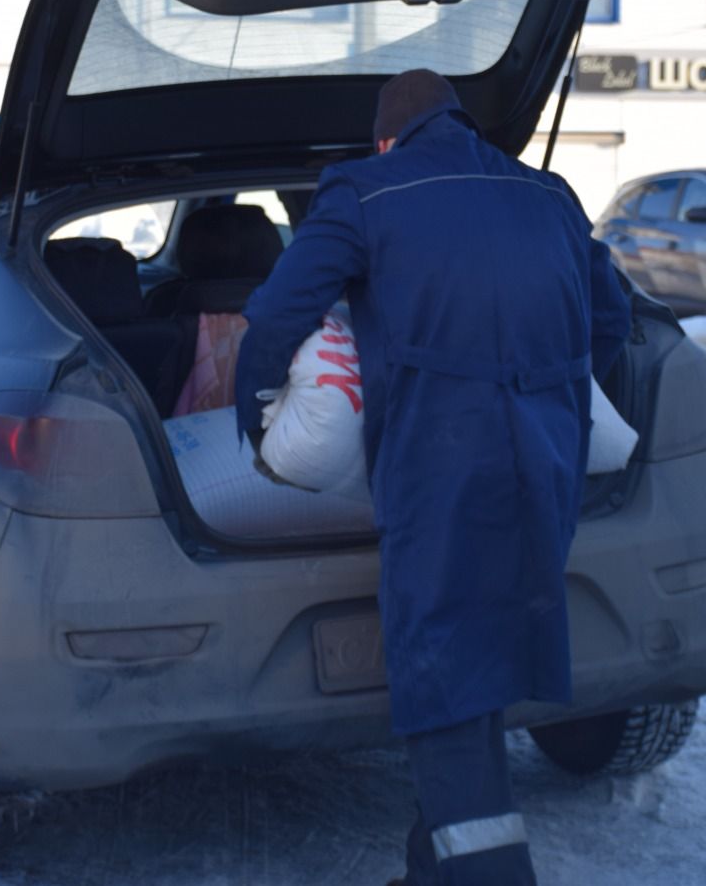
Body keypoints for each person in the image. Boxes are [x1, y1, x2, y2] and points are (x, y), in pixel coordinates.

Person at [235, 69, 629, 885]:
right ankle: (433, 867)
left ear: (385, 138)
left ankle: (490, 876)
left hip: (442, 461)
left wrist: (258, 417)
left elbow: (279, 312)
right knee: (484, 648)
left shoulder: (364, 191)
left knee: (443, 668)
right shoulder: (547, 192)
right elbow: (612, 321)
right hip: (547, 459)